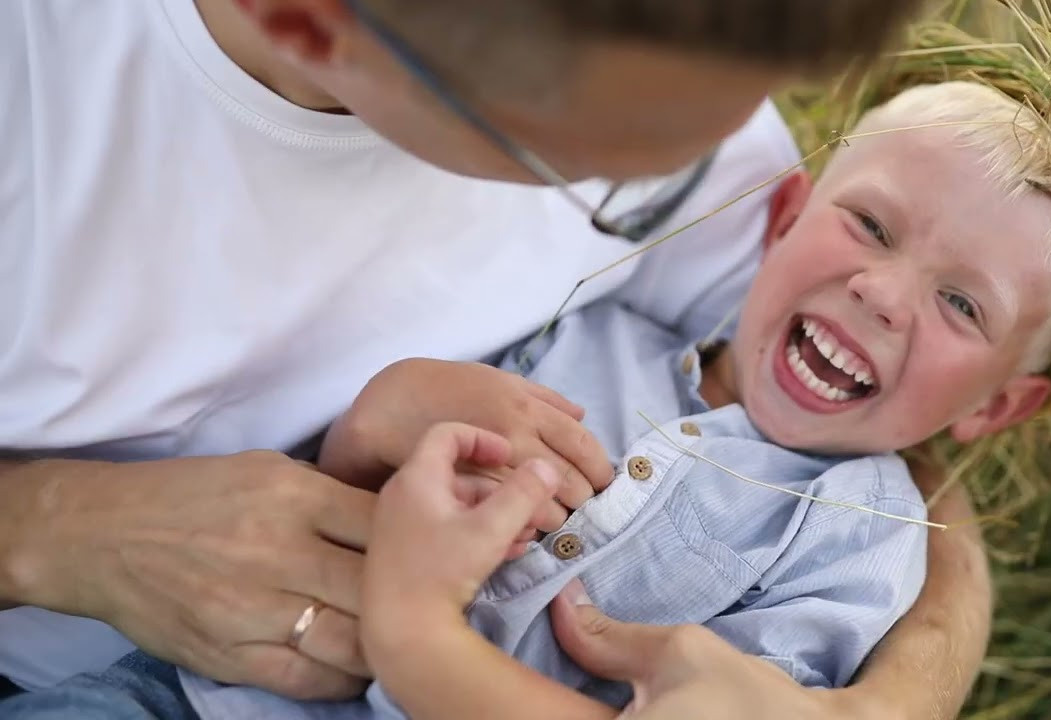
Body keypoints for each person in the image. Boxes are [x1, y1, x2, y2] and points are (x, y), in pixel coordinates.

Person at [0, 0, 992, 718]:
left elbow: (869, 443)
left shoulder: (667, 74)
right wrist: (58, 530)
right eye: (603, 174)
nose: (707, 181)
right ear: (304, 22)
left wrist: (885, 705)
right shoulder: (39, 89)